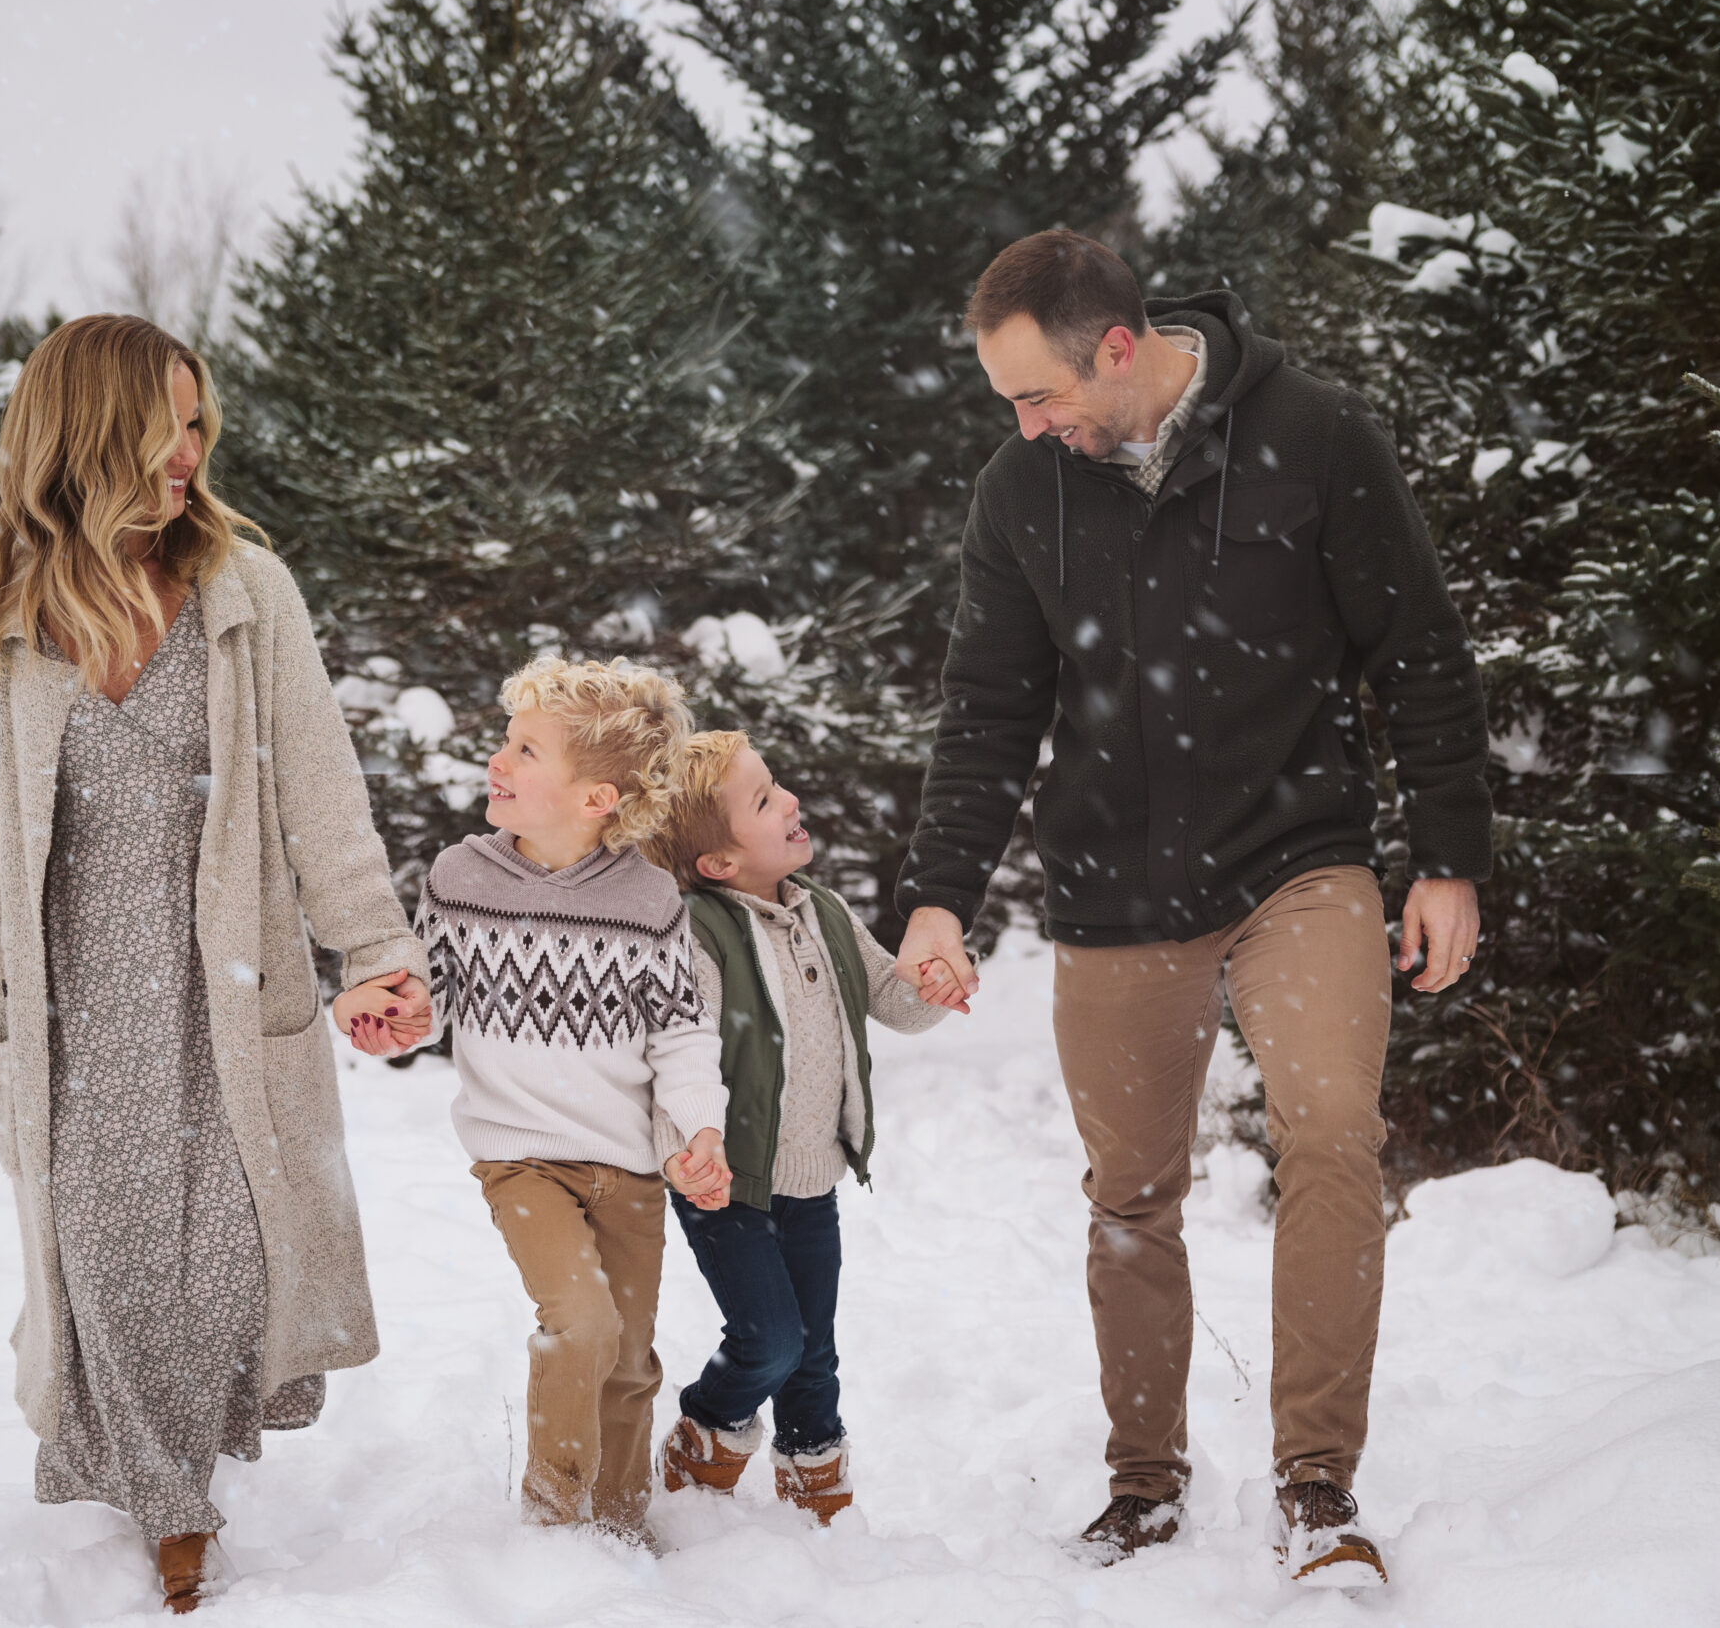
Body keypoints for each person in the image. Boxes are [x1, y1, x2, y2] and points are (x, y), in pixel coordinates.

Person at [892, 230, 1492, 1586]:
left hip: (1301, 854)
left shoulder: (1316, 434)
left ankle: (1317, 1483)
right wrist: (940, 895)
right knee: (1132, 1191)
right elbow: (989, 710)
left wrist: (1447, 851)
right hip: (1115, 883)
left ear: (1118, 347)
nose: (1028, 426)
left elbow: (1418, 644)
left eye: (1038, 394)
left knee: (1333, 1131)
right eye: (1010, 407)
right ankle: (1142, 1482)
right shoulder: (1022, 490)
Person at [0, 314, 432, 1614]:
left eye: (198, 426)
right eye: (161, 427)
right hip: (69, 1008)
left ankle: (184, 1458)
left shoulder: (247, 593)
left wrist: (377, 951)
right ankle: (171, 1506)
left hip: (229, 996)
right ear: (86, 433)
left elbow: (322, 796)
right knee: (112, 1265)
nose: (186, 453)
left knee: (235, 1257)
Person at [413, 656, 733, 1548]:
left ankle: (621, 1528)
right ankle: (555, 1520)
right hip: (519, 1155)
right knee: (579, 1321)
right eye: (506, 741)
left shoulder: (648, 898)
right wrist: (385, 1011)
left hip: (628, 1165)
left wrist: (700, 1126)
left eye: (525, 749)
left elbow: (680, 1034)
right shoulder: (459, 878)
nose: (498, 761)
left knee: (628, 1360)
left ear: (597, 797)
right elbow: (424, 999)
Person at [639, 730, 957, 1525]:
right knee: (770, 1340)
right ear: (718, 862)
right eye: (764, 798)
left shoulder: (824, 912)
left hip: (812, 1178)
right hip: (726, 1179)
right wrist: (685, 1151)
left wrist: (937, 978)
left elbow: (895, 1000)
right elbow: (673, 1056)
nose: (790, 802)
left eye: (775, 785)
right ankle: (706, 1434)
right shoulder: (698, 936)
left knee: (814, 1351)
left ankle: (818, 1489)